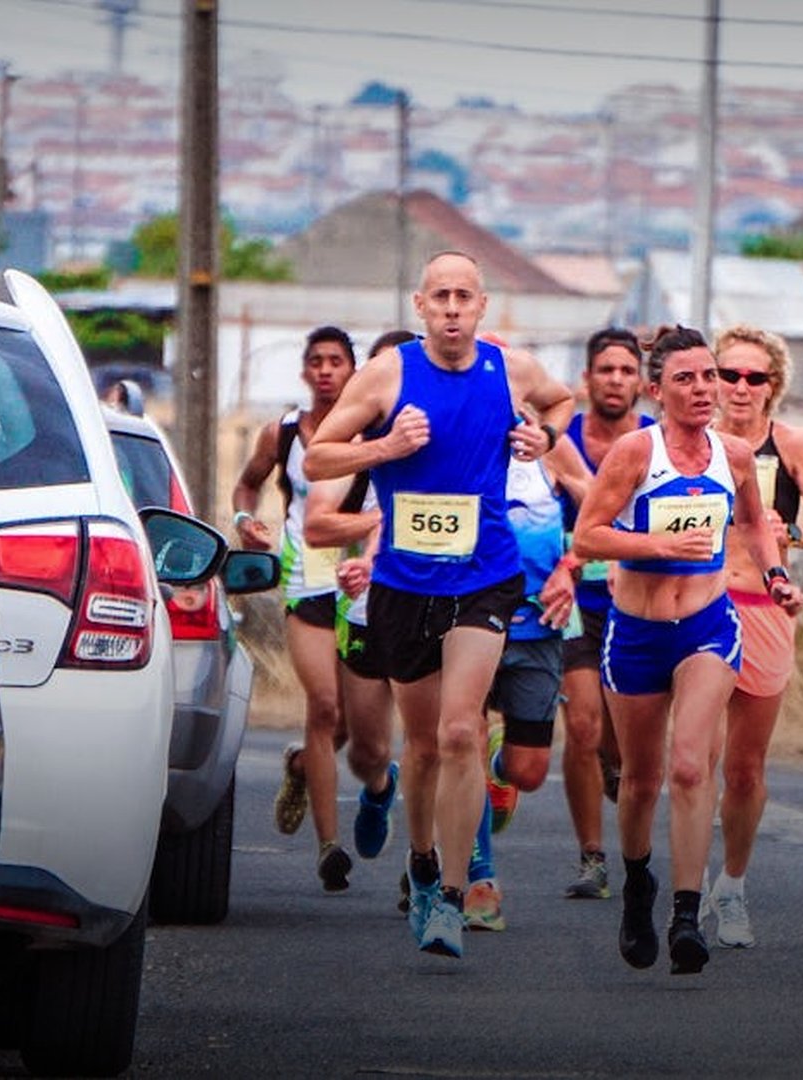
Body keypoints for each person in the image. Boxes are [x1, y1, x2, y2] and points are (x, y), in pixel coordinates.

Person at [305, 251, 574, 958]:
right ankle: (421, 860)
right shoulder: (387, 374)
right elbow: (317, 457)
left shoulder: (510, 369)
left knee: (461, 733)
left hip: (485, 576)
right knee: (422, 746)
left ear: (482, 306)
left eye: (464, 296)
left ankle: (455, 895)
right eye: (440, 297)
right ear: (420, 307)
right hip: (404, 585)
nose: (453, 308)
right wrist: (386, 447)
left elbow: (562, 401)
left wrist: (544, 438)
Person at [571, 326, 802, 976]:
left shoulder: (734, 454)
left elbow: (752, 521)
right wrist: (657, 546)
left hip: (707, 624)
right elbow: (588, 536)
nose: (704, 389)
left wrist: (776, 577)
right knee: (640, 780)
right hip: (637, 632)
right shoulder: (635, 453)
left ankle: (685, 913)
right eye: (686, 379)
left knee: (692, 767)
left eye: (709, 376)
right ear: (656, 390)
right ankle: (638, 882)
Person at [703, 324, 803, 947]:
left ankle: (731, 885)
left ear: (773, 386)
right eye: (729, 374)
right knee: (696, 759)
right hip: (701, 605)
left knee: (744, 769)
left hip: (764, 607)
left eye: (754, 377)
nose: (740, 387)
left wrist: (791, 534)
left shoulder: (789, 446)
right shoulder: (691, 443)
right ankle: (688, 887)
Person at [232, 325, 369, 888]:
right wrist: (245, 520)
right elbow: (247, 485)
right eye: (317, 361)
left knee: (354, 726)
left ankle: (298, 766)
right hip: (305, 578)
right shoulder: (284, 432)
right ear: (305, 371)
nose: (326, 371)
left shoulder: (371, 432)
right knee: (324, 707)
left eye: (336, 361)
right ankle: (329, 847)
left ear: (353, 370)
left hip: (361, 581)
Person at [294, 329, 417, 892]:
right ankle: (378, 787)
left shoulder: (453, 445)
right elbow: (317, 526)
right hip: (366, 609)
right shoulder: (357, 450)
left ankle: (428, 869)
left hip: (439, 609)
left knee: (442, 738)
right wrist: (380, 525)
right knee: (368, 749)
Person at [460, 447, 586, 931]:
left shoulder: (547, 445)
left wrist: (570, 566)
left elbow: (601, 507)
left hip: (538, 623)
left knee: (527, 771)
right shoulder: (461, 435)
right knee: (462, 740)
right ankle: (480, 880)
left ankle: (500, 766)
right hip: (468, 616)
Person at [554, 326, 655, 901]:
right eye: (605, 370)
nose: (615, 380)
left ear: (641, 382)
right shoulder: (562, 437)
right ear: (586, 379)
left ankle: (615, 773)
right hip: (573, 601)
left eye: (626, 371)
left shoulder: (656, 440)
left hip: (635, 599)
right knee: (583, 726)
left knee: (620, 745)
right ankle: (592, 855)